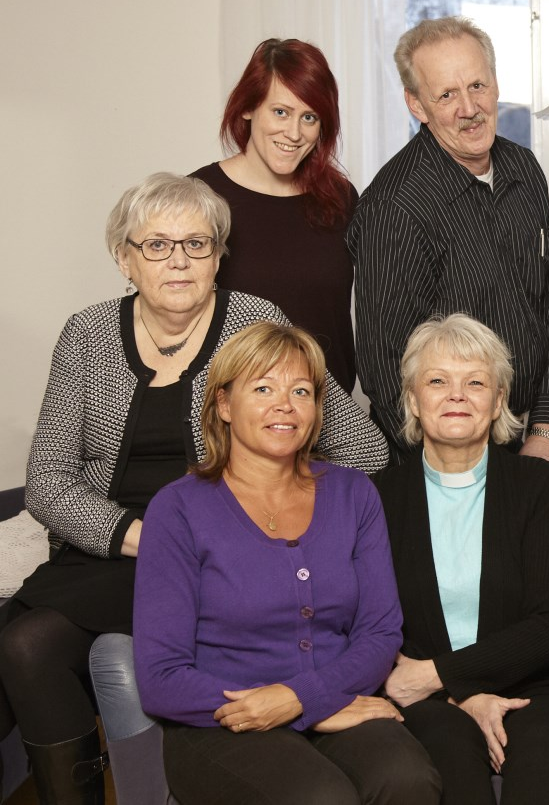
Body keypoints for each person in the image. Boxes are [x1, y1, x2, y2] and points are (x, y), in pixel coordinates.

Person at [0, 173, 387, 804]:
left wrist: (285, 517)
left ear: (218, 256)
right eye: (157, 246)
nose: (178, 261)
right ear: (125, 258)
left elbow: (362, 448)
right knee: (23, 645)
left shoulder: (253, 322)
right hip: (112, 550)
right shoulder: (87, 333)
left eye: (197, 244)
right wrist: (137, 537)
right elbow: (47, 481)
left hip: (225, 556)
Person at [132, 322, 438, 803]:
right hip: (219, 721)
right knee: (320, 797)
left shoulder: (354, 494)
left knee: (407, 777)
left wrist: (303, 700)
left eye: (301, 390)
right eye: (263, 388)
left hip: (336, 698)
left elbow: (379, 634)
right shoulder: (178, 509)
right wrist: (298, 708)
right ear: (224, 405)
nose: (285, 404)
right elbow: (161, 679)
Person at [376, 314, 549, 804]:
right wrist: (459, 694)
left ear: (498, 402)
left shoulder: (542, 487)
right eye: (437, 381)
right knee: (448, 766)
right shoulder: (378, 498)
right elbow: (365, 618)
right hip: (424, 703)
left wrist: (440, 674)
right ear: (412, 399)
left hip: (533, 689)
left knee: (541, 767)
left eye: (476, 382)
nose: (457, 394)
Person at [348, 17, 549, 466]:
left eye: (477, 85)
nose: (469, 108)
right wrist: (463, 463)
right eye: (447, 95)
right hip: (448, 457)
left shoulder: (523, 168)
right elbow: (385, 370)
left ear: (494, 84)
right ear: (417, 104)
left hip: (534, 439)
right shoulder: (394, 208)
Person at [192, 38, 360, 392]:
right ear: (248, 107)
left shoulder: (340, 198)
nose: (294, 133)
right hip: (235, 422)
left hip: (329, 418)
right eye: (281, 112)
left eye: (309, 117)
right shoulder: (200, 197)